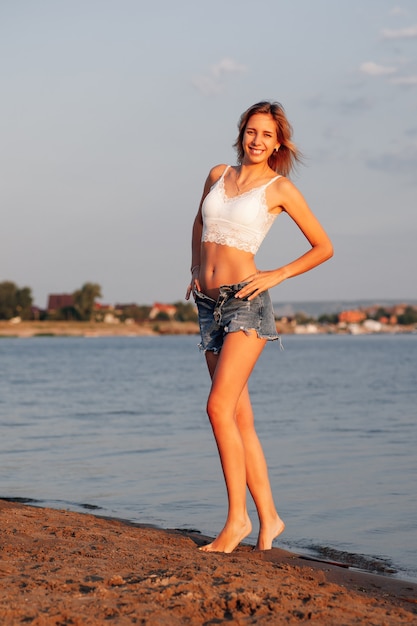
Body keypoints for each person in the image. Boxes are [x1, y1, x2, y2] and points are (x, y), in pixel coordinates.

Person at [185, 101, 333, 554]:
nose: (256, 140)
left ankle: (237, 521)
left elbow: (323, 246)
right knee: (237, 416)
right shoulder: (217, 175)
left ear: (278, 142)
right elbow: (198, 221)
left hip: (246, 305)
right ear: (241, 133)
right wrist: (195, 266)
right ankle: (270, 517)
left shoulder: (279, 188)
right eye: (251, 131)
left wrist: (276, 274)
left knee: (217, 409)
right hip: (209, 304)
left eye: (267, 135)